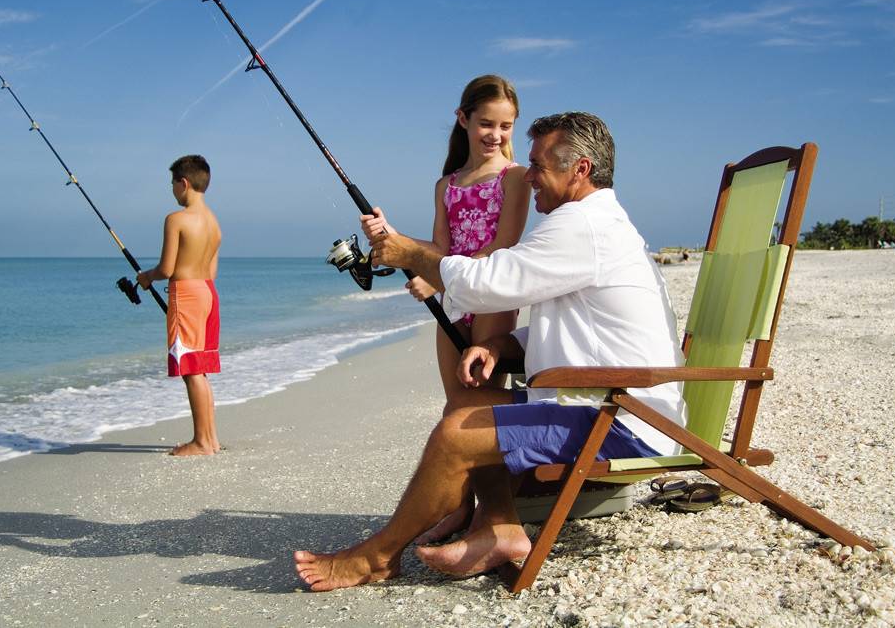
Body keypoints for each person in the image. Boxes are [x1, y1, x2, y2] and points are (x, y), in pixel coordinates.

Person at [294, 112, 687, 591]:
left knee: (456, 437)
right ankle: (499, 526)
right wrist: (502, 346)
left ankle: (376, 557)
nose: (529, 175)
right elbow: (581, 330)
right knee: (465, 404)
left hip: (622, 420)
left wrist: (410, 254)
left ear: (580, 169)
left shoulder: (583, 225)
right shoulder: (594, 223)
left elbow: (487, 284)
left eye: (539, 165)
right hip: (605, 401)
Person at [363, 75, 530, 402]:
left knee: (483, 400)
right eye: (486, 124)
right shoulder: (446, 185)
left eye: (505, 126)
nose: (496, 135)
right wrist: (391, 234)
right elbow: (440, 248)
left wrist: (440, 281)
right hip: (453, 300)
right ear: (463, 119)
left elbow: (502, 246)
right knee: (456, 402)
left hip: (491, 297)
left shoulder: (515, 177)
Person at [137, 154, 223, 456]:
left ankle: (201, 442)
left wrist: (147, 277)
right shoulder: (214, 223)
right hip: (208, 293)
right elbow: (212, 271)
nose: (171, 189)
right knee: (200, 367)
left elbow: (167, 268)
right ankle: (210, 439)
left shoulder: (176, 220)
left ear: (183, 183)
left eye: (172, 183)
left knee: (190, 369)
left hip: (186, 295)